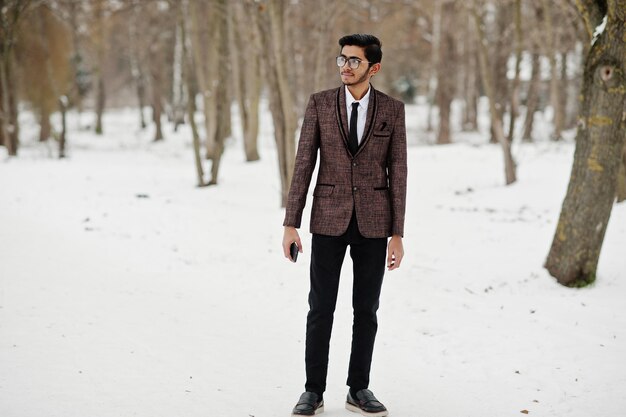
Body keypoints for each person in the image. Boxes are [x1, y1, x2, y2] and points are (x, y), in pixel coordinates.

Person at [282, 34, 407, 417]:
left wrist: (398, 233)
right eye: (342, 59)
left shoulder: (392, 109)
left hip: (374, 223)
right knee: (320, 308)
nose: (346, 67)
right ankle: (313, 391)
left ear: (374, 67)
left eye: (354, 61)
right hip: (329, 219)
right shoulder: (320, 104)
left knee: (366, 309)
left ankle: (359, 388)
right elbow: (304, 165)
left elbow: (398, 171)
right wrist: (291, 222)